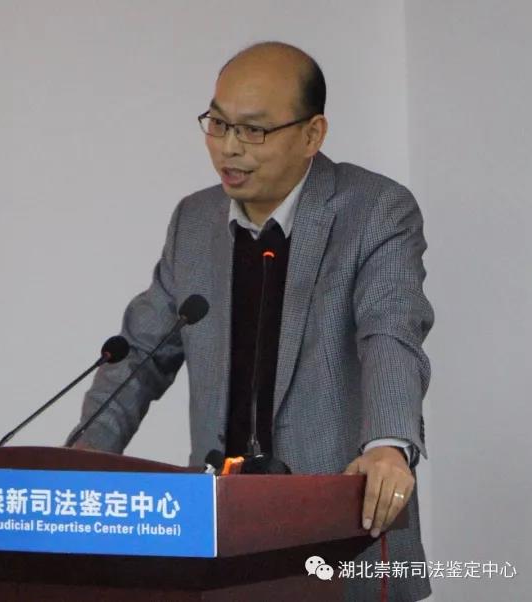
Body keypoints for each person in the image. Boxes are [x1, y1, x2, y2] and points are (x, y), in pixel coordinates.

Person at [70, 41, 433, 601]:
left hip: (343, 535)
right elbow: (140, 353)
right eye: (218, 124)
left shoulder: (375, 210)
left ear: (312, 134)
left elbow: (391, 332)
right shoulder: (194, 221)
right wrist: (83, 461)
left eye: (253, 130)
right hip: (220, 541)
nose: (229, 147)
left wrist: (388, 446)